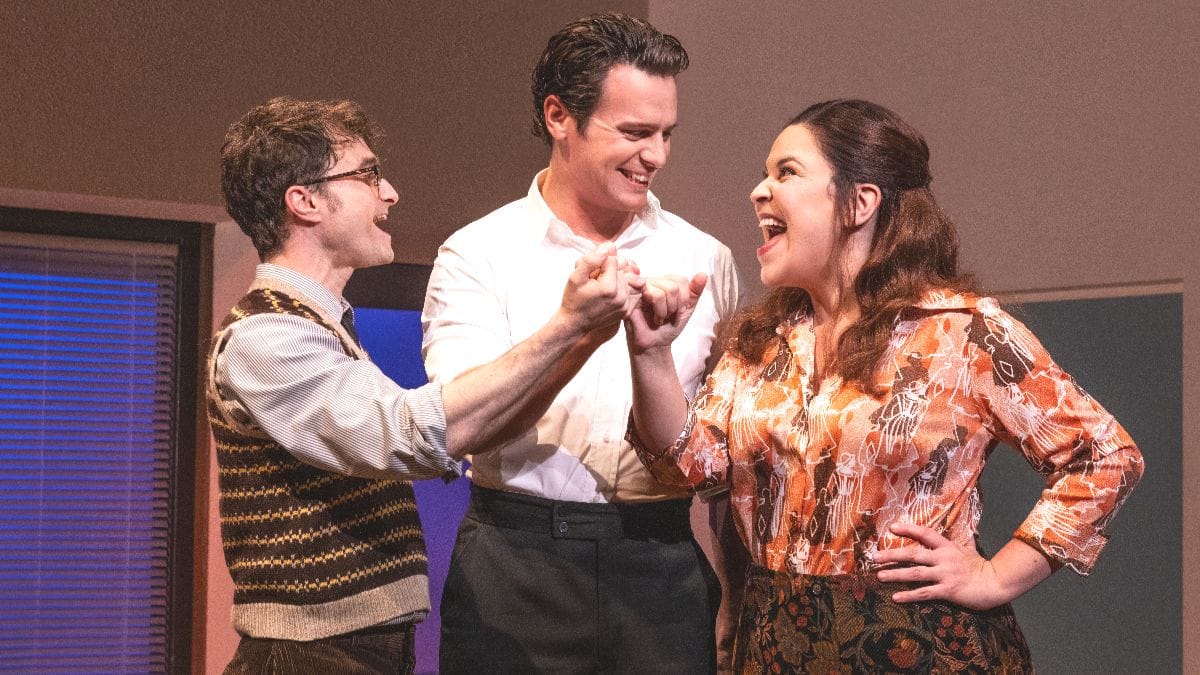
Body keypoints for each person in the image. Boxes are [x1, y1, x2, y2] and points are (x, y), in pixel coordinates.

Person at [624, 98, 1144, 672]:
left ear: (860, 202)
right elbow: (687, 468)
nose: (759, 190)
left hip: (915, 643)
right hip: (778, 644)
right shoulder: (764, 341)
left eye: (787, 172)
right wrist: (650, 354)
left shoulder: (959, 332)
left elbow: (1103, 455)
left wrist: (995, 577)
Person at [208, 96, 643, 674]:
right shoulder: (267, 338)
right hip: (307, 655)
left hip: (352, 647)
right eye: (367, 174)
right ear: (304, 200)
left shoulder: (318, 326)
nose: (389, 193)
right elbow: (405, 434)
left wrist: (582, 334)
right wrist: (569, 326)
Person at [421, 12, 741, 673]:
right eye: (633, 132)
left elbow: (730, 451)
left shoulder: (703, 256)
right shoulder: (480, 253)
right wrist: (571, 327)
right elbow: (456, 424)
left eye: (665, 133)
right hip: (518, 557)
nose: (655, 154)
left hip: (664, 560)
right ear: (559, 116)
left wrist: (740, 590)